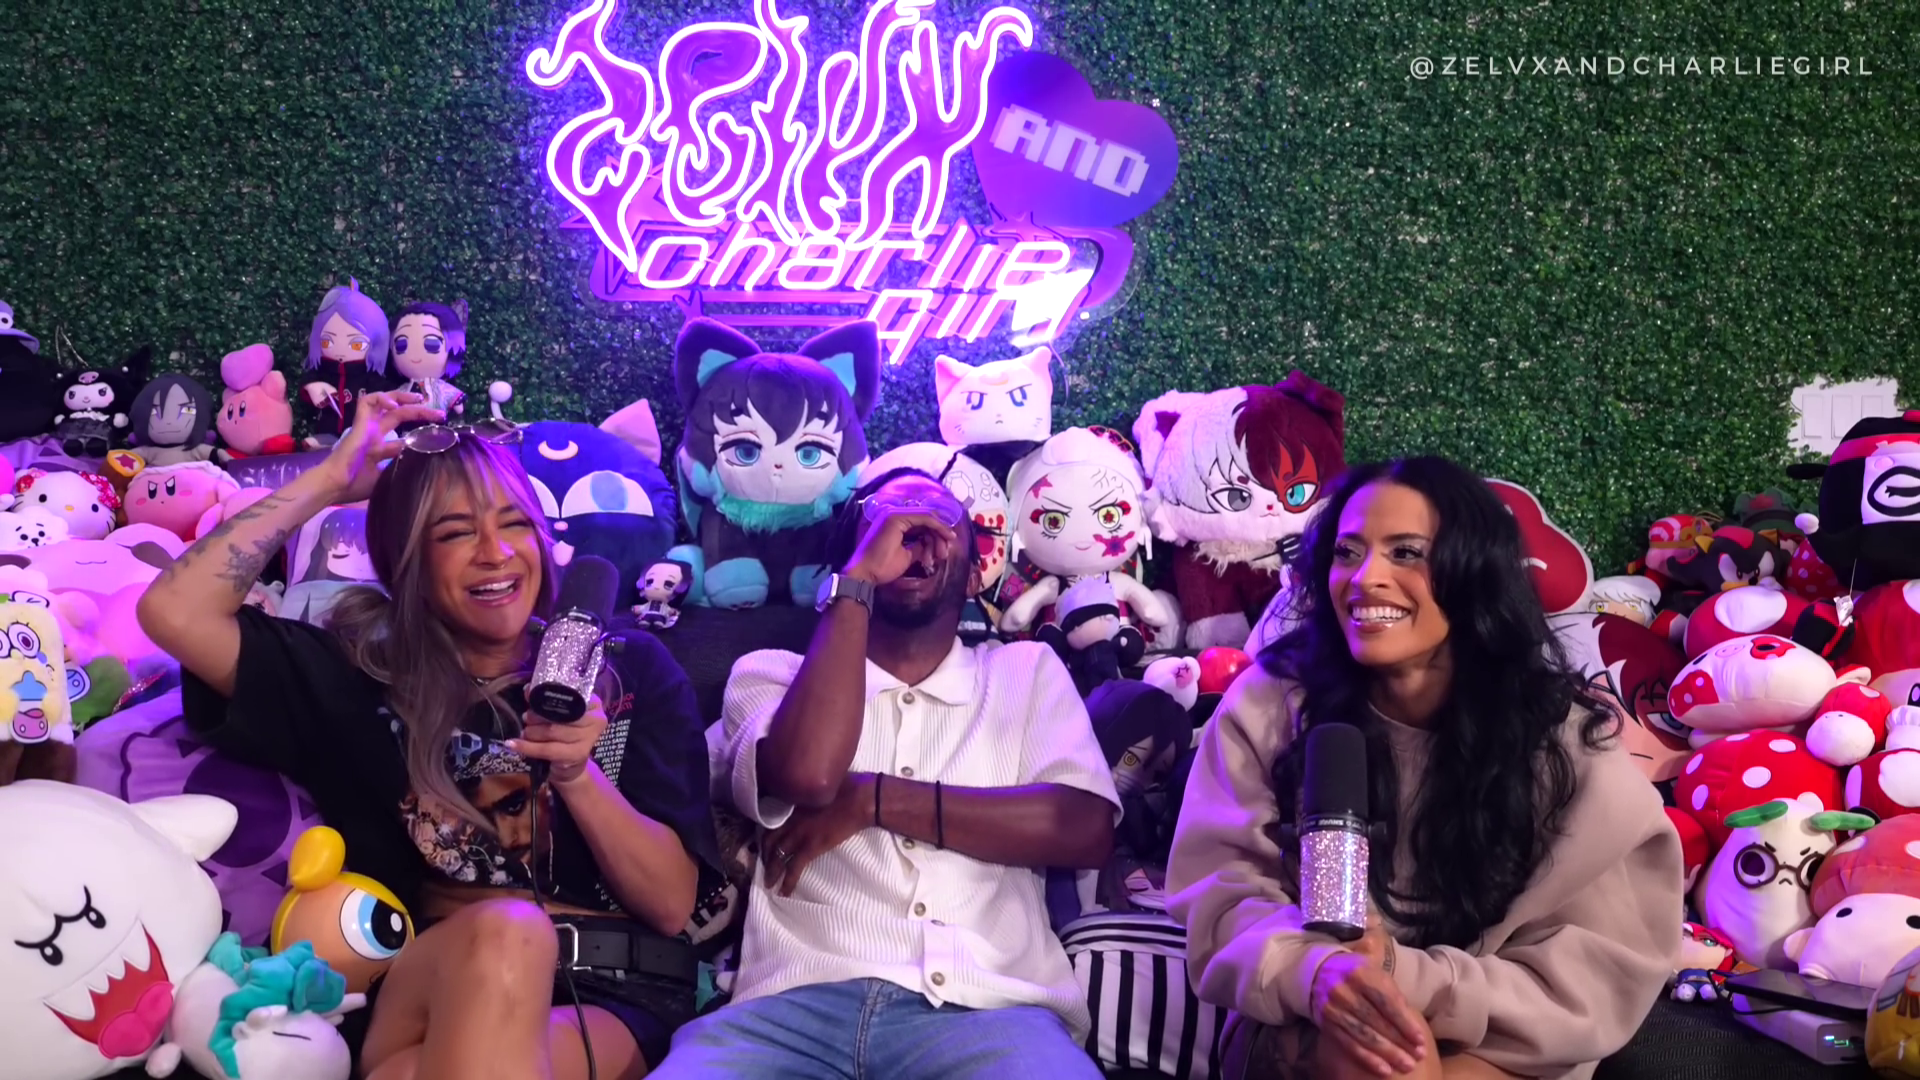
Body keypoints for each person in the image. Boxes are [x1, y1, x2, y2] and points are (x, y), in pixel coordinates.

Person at [139, 391, 721, 1080]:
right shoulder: (355, 678)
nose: (496, 553)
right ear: (405, 560)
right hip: (432, 978)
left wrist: (577, 775)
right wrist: (328, 481)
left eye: (515, 523)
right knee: (508, 931)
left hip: (616, 989)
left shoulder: (626, 668)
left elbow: (671, 904)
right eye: (454, 533)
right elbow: (174, 611)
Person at [1165, 456, 1681, 1080]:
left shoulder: (1564, 746)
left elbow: (1593, 977)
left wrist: (1404, 976)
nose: (1366, 579)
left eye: (1406, 553)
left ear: (1474, 573)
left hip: (1506, 1039)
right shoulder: (1273, 705)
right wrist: (1320, 970)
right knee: (1381, 1057)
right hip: (1309, 1020)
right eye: (1348, 553)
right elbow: (1223, 897)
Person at [648, 468, 1120, 1079]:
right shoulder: (769, 674)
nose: (914, 537)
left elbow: (1083, 827)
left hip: (992, 1013)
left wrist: (875, 799)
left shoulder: (1025, 672)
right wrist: (859, 584)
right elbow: (809, 776)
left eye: (938, 522)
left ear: (975, 573)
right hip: (787, 1011)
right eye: (886, 522)